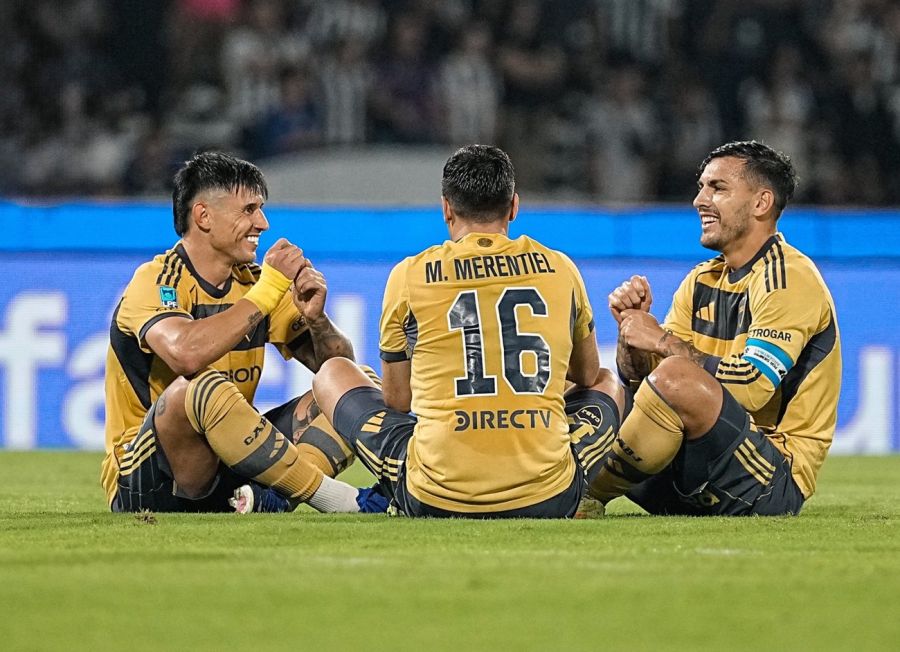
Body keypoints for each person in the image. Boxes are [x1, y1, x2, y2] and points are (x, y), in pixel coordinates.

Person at [311, 145, 626, 518]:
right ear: (514, 207)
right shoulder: (560, 268)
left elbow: (398, 401)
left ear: (446, 208)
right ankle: (576, 487)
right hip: (549, 498)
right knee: (608, 382)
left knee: (333, 373)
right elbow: (587, 374)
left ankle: (352, 492)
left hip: (435, 497)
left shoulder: (410, 276)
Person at [102, 151, 384, 514]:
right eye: (248, 210)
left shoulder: (252, 284)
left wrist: (316, 319)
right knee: (200, 385)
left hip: (228, 468)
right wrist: (268, 292)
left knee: (356, 381)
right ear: (203, 216)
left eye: (260, 209)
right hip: (146, 480)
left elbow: (337, 370)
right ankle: (341, 500)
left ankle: (270, 499)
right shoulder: (158, 280)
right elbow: (186, 355)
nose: (262, 223)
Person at [592, 140, 841, 516]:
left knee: (676, 374)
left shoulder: (788, 278)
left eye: (717, 188)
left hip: (769, 478)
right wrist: (633, 336)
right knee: (595, 385)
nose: (699, 200)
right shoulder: (702, 280)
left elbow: (752, 387)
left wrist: (661, 339)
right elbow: (647, 383)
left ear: (761, 203)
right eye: (701, 187)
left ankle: (582, 492)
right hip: (696, 468)